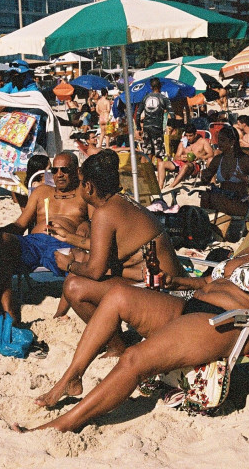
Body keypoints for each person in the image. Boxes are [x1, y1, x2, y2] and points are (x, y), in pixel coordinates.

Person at [18, 198, 249, 429]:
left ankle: (64, 424)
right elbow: (209, 281)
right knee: (119, 296)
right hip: (194, 305)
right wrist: (178, 282)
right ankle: (71, 378)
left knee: (135, 359)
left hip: (232, 325)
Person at [46, 150, 186, 357]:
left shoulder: (104, 213)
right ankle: (116, 338)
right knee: (82, 264)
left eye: (81, 182)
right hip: (169, 286)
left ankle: (119, 347)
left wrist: (67, 265)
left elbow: (95, 271)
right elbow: (108, 246)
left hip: (164, 294)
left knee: (73, 286)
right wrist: (68, 237)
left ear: (89, 187)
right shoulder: (120, 202)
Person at [0, 151, 89, 323]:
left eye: (64, 170)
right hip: (33, 243)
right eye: (54, 170)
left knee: (79, 258)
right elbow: (20, 225)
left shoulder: (84, 194)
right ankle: (10, 314)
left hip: (63, 243)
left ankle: (59, 314)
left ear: (76, 171)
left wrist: (83, 227)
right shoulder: (41, 192)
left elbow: (93, 223)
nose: (59, 174)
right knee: (0, 241)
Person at [199, 125, 249, 238]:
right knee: (205, 196)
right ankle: (206, 231)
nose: (219, 144)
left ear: (232, 141)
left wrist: (245, 178)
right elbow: (205, 180)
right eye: (219, 140)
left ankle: (212, 230)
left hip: (240, 202)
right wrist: (203, 175)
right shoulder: (219, 159)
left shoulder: (244, 160)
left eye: (223, 141)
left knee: (214, 198)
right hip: (222, 199)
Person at [156, 123, 215, 188]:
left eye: (190, 136)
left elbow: (211, 153)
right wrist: (181, 158)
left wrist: (201, 157)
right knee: (161, 164)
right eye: (187, 136)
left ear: (195, 134)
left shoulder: (202, 142)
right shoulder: (183, 142)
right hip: (180, 163)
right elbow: (176, 157)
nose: (188, 138)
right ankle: (160, 187)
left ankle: (171, 186)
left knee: (186, 166)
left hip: (193, 165)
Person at [137, 78, 173, 160]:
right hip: (157, 128)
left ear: (151, 87)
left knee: (146, 153)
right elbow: (172, 114)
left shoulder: (145, 98)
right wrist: (171, 126)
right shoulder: (164, 98)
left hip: (146, 127)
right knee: (159, 154)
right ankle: (160, 171)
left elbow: (138, 114)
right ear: (160, 86)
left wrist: (139, 127)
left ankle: (144, 172)